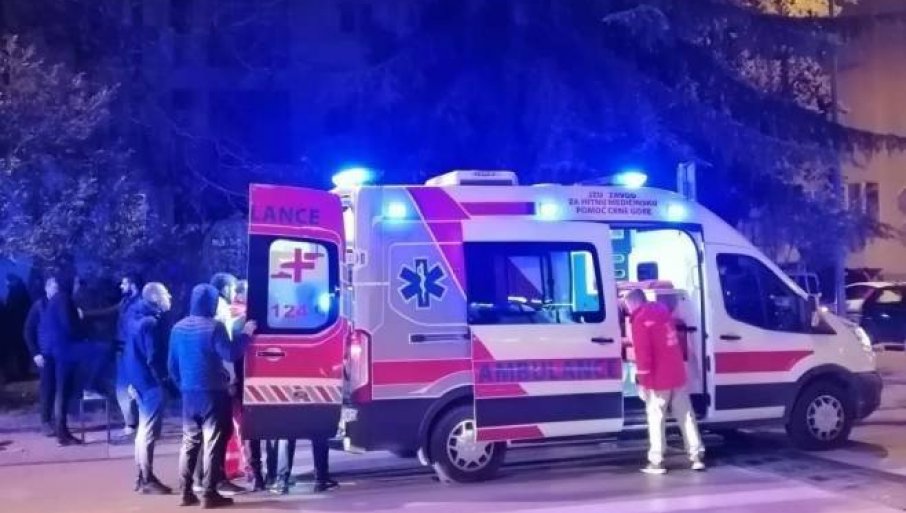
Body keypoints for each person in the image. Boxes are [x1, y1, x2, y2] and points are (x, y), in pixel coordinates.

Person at [169, 283, 256, 509]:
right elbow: (231, 352)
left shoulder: (178, 328)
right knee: (213, 442)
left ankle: (185, 492)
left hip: (189, 394)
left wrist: (183, 386)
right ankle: (209, 493)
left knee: (189, 443)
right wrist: (246, 334)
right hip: (213, 393)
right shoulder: (213, 327)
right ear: (211, 303)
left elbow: (172, 366)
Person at [625, 289, 704, 474]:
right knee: (686, 416)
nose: (628, 310)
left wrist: (642, 381)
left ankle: (657, 461)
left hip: (657, 379)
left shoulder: (640, 320)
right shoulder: (662, 312)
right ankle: (696, 456)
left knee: (656, 418)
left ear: (633, 303)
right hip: (677, 373)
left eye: (627, 306)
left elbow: (643, 354)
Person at [124, 282, 175, 495]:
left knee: (143, 430)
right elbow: (153, 358)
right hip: (150, 382)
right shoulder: (151, 323)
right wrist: (164, 380)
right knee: (148, 431)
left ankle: (142, 476)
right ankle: (147, 479)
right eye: (165, 293)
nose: (169, 297)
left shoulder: (133, 317)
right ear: (155, 297)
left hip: (136, 378)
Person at [42, 273, 86, 446]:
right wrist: (79, 325)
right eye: (76, 282)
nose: (78, 286)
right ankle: (62, 433)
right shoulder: (64, 299)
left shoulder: (55, 300)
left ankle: (63, 431)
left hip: (56, 351)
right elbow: (69, 326)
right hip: (64, 351)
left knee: (61, 392)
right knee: (62, 392)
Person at [23, 276, 60, 436]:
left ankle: (59, 420)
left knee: (60, 388)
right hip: (45, 354)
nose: (56, 291)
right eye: (53, 288)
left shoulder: (63, 305)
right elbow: (28, 331)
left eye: (58, 288)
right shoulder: (39, 306)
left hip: (61, 355)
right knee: (47, 388)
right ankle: (46, 421)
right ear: (47, 288)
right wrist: (35, 353)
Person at [116, 273, 144, 438]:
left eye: (124, 283)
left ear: (133, 284)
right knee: (122, 388)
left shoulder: (140, 303)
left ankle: (138, 422)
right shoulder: (125, 302)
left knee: (134, 386)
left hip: (132, 349)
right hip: (122, 348)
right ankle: (131, 422)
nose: (121, 286)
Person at [3, 274, 32, 381]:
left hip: (16, 326)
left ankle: (20, 372)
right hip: (21, 324)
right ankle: (22, 371)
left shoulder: (15, 292)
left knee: (19, 350)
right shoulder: (21, 290)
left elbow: (11, 309)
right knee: (22, 350)